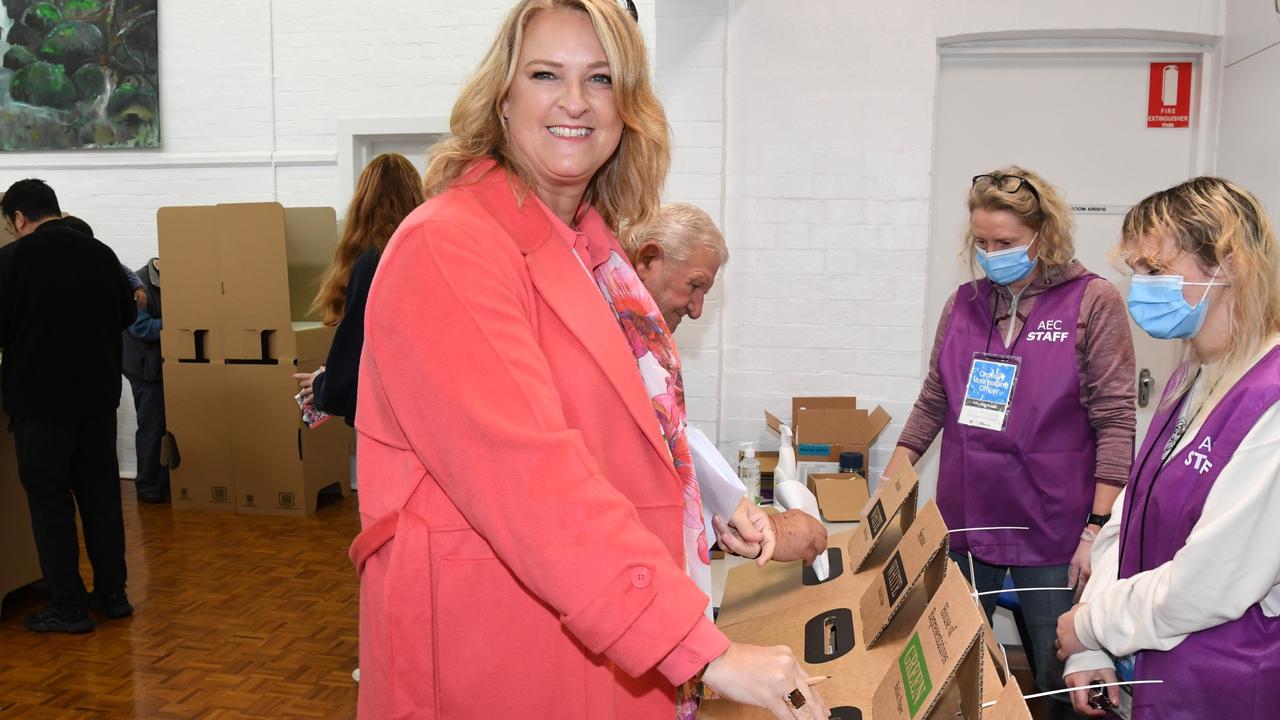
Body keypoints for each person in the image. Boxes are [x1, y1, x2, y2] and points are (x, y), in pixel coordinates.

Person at [348, 2, 828, 718]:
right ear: (503, 98)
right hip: (493, 652)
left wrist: (707, 510)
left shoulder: (592, 254)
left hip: (584, 633)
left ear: (626, 106)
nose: (574, 101)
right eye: (547, 73)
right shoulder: (448, 248)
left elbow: (618, 433)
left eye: (600, 78)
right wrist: (706, 650)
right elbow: (528, 477)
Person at [888, 167, 1136, 718]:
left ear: (1044, 236)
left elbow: (1116, 420)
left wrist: (1097, 528)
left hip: (1053, 525)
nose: (991, 253)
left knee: (1061, 676)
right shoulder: (965, 303)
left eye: (1006, 242)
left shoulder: (1092, 302)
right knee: (960, 669)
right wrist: (895, 471)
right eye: (981, 242)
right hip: (969, 518)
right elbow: (935, 396)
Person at [1056, 176, 1280, 719]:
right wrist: (1093, 637)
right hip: (1151, 670)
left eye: (1156, 270)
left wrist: (1088, 624)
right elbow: (1129, 515)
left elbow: (1211, 583)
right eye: (1136, 271)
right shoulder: (1191, 377)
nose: (1140, 288)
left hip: (1223, 686)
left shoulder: (1270, 399)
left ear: (1228, 265)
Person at [628, 202, 827, 566]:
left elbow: (673, 438)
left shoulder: (648, 344)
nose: (697, 309)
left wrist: (738, 507)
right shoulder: (610, 342)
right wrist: (755, 517)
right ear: (647, 260)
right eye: (694, 285)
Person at [0, 179, 136, 632]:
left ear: (19, 218)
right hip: (98, 400)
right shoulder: (101, 255)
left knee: (50, 504)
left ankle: (68, 605)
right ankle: (113, 594)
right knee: (101, 496)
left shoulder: (13, 259)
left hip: (40, 406)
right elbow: (127, 315)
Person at [293, 154, 425, 437]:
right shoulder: (426, 253)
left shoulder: (373, 262)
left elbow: (355, 358)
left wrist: (322, 384)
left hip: (386, 424)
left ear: (364, 202)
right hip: (425, 412)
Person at [122, 257, 167, 503]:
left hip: (162, 366)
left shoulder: (174, 281)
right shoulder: (138, 284)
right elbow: (142, 328)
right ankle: (148, 486)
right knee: (152, 427)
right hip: (144, 368)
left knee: (165, 427)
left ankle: (163, 481)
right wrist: (181, 321)